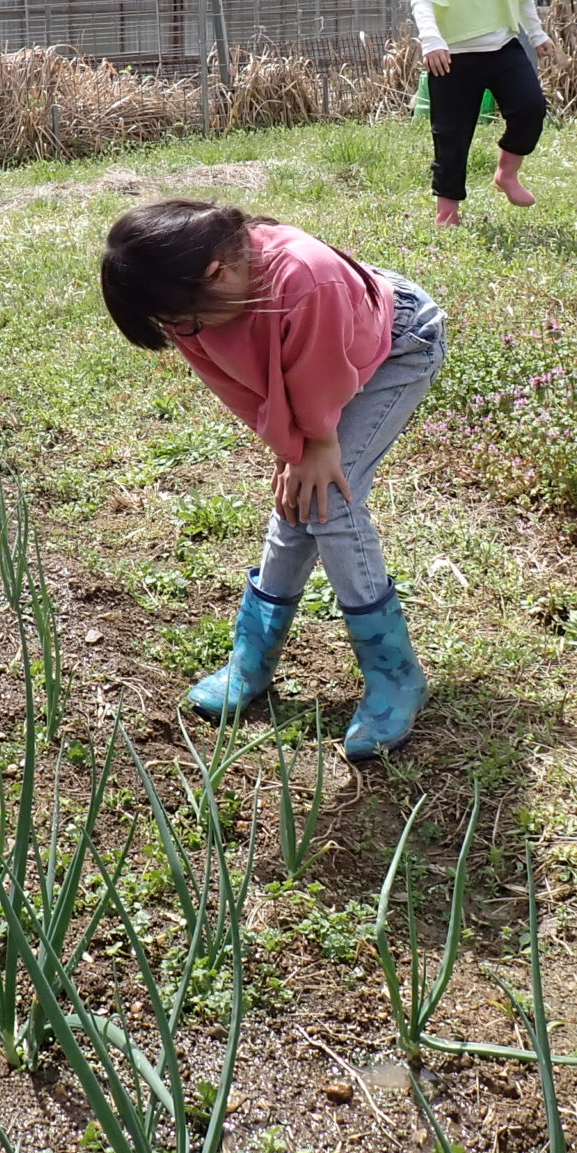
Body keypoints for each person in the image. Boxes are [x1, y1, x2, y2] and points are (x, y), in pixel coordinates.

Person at [99, 199, 446, 758]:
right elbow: (242, 389)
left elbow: (322, 372)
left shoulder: (307, 277)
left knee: (330, 498)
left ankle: (396, 675)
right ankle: (251, 660)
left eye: (187, 322)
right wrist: (291, 450)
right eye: (172, 325)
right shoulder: (184, 303)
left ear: (218, 271)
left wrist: (319, 442)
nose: (184, 333)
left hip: (395, 344)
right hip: (319, 360)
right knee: (297, 501)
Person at [412, 0, 550, 228]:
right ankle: (447, 213)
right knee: (451, 136)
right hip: (451, 56)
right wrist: (431, 40)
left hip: (503, 46)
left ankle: (507, 173)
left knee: (530, 109)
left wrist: (536, 33)